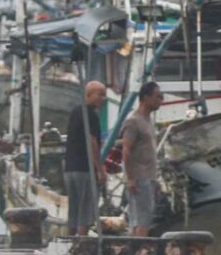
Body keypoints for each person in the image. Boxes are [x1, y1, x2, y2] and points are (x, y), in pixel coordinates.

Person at [114, 81, 165, 235]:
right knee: (142, 218)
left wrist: (155, 180)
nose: (161, 100)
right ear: (145, 97)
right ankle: (139, 253)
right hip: (138, 176)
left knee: (142, 218)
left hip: (148, 176)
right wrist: (130, 178)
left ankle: (135, 250)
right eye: (158, 97)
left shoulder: (148, 121)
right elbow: (126, 151)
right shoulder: (133, 122)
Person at [61, 79, 108, 236]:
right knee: (86, 212)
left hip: (70, 169)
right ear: (89, 94)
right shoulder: (91, 115)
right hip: (85, 169)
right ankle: (82, 245)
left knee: (73, 211)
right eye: (100, 94)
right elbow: (92, 142)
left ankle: (69, 242)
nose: (104, 98)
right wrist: (100, 168)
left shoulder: (75, 111)